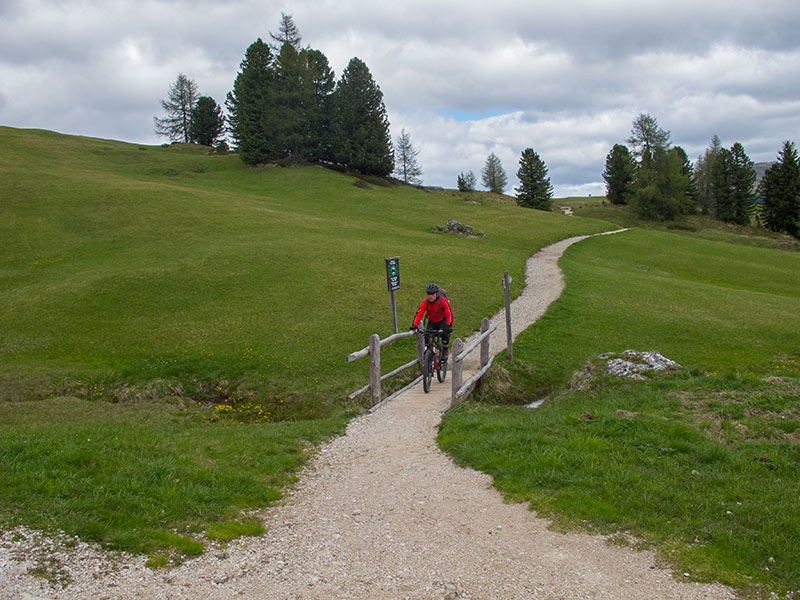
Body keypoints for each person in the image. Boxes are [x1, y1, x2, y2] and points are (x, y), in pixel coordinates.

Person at [410, 283, 454, 361]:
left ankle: (445, 350)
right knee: (427, 338)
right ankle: (429, 359)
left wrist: (448, 326)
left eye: (432, 294)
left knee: (445, 335)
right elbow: (419, 313)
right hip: (432, 321)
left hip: (442, 321)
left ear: (436, 294)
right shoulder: (425, 302)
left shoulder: (443, 301)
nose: (430, 296)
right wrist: (415, 325)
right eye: (428, 294)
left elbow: (449, 314)